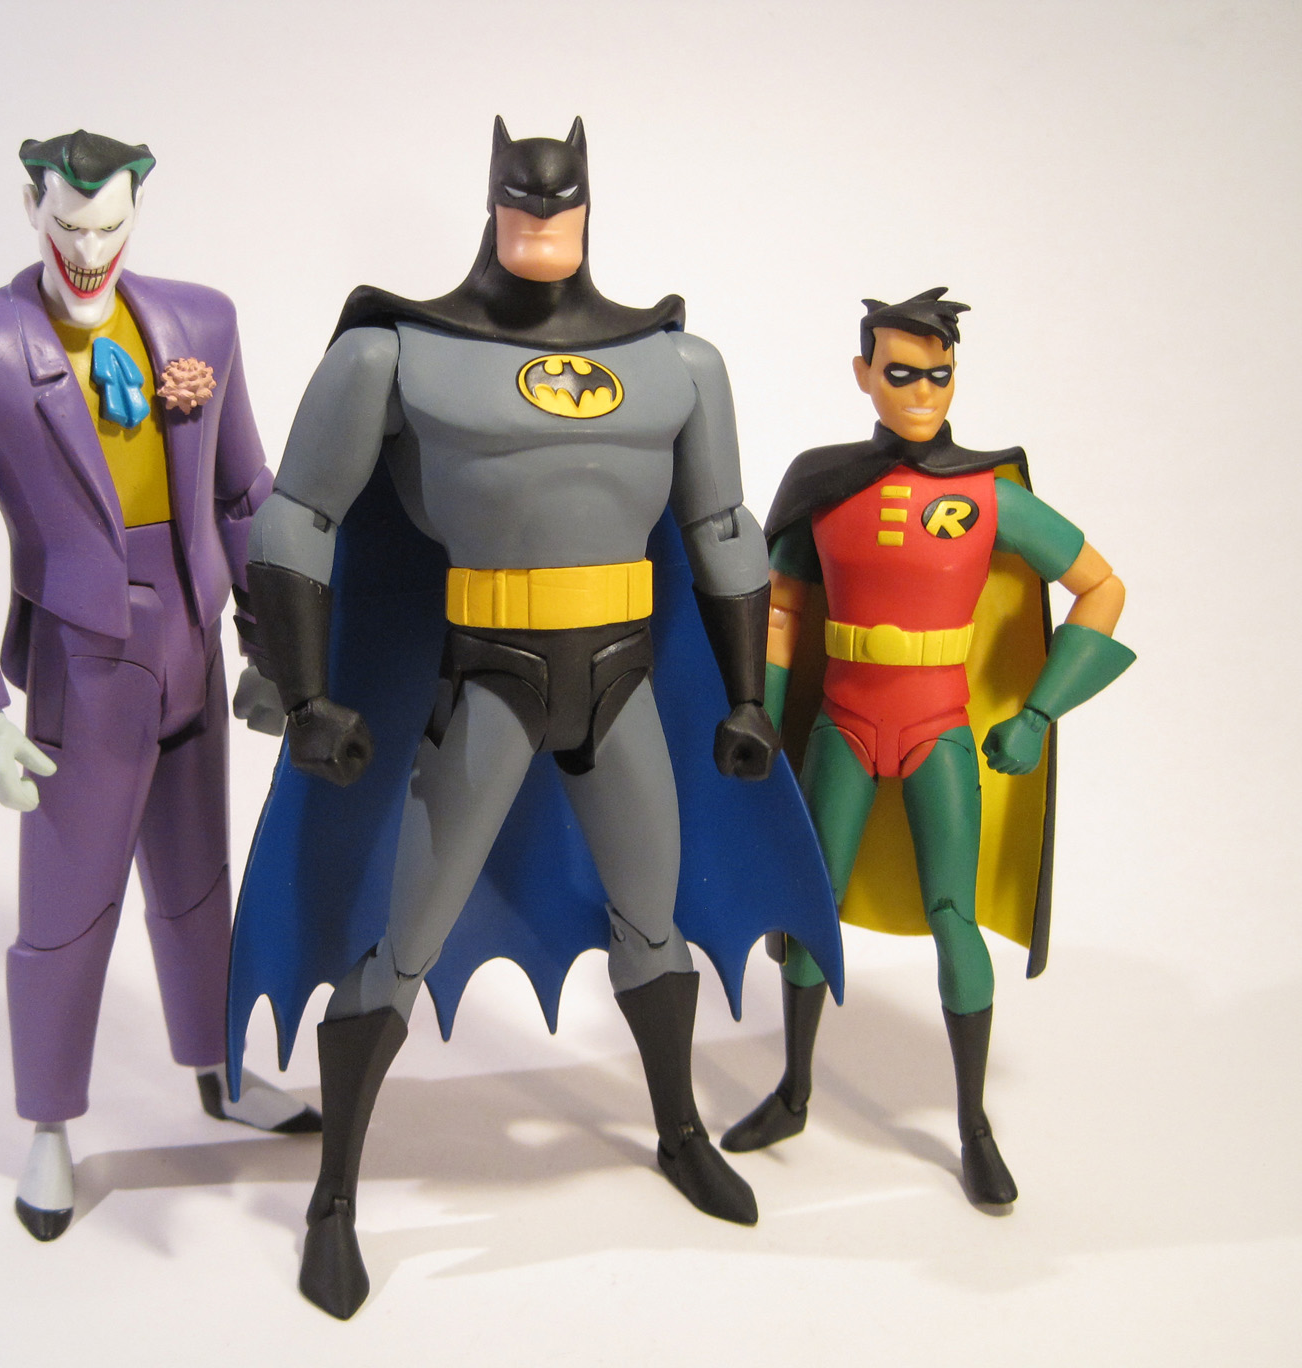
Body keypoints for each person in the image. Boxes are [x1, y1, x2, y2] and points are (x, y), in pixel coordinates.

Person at [245, 117, 840, 1319]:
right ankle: (334, 1198)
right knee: (405, 932)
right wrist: (304, 694)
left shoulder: (678, 363)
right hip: (486, 682)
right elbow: (298, 512)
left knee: (652, 915)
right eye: (522, 201)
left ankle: (677, 1130)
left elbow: (721, 528)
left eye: (560, 203)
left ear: (587, 206)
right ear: (493, 201)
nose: (541, 220)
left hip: (622, 680)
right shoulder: (397, 356)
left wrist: (745, 696)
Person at [0, 129, 315, 1243]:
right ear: (33, 208)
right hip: (83, 661)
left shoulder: (199, 322)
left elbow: (244, 494)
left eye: (111, 226)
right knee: (68, 906)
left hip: (193, 634)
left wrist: (276, 647)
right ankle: (47, 1125)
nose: (88, 250)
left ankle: (218, 1068)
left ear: (137, 215)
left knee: (198, 881)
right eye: (69, 225)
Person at [723, 288, 1133, 1207]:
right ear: (862, 374)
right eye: (900, 373)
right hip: (841, 723)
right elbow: (780, 609)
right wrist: (759, 716)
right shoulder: (823, 485)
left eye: (937, 375)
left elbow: (1101, 588)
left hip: (938, 727)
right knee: (811, 905)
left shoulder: (988, 496)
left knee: (955, 914)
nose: (919, 392)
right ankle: (794, 1091)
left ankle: (973, 1124)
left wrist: (1040, 713)